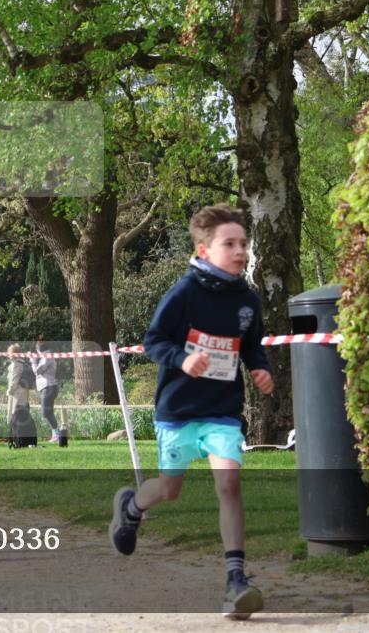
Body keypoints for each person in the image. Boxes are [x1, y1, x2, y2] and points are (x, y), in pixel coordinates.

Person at [107, 204, 275, 620]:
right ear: (203, 250)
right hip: (179, 410)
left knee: (229, 483)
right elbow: (153, 341)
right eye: (229, 244)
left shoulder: (247, 300)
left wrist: (260, 368)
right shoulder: (183, 294)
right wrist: (183, 359)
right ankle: (131, 508)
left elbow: (251, 345)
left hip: (222, 411)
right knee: (169, 489)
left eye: (243, 243)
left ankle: (235, 580)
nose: (240, 251)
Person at [31, 335, 64, 445]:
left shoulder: (47, 357)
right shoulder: (46, 356)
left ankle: (56, 434)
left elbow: (37, 371)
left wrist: (33, 361)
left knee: (45, 413)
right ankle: (56, 435)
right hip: (48, 387)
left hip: (49, 387)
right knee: (49, 412)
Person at [5, 343, 30, 425]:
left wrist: (9, 392)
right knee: (22, 416)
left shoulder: (16, 364)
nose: (8, 354)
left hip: (16, 394)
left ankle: (14, 431)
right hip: (23, 393)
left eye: (9, 352)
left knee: (15, 416)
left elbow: (14, 381)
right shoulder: (23, 363)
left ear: (13, 353)